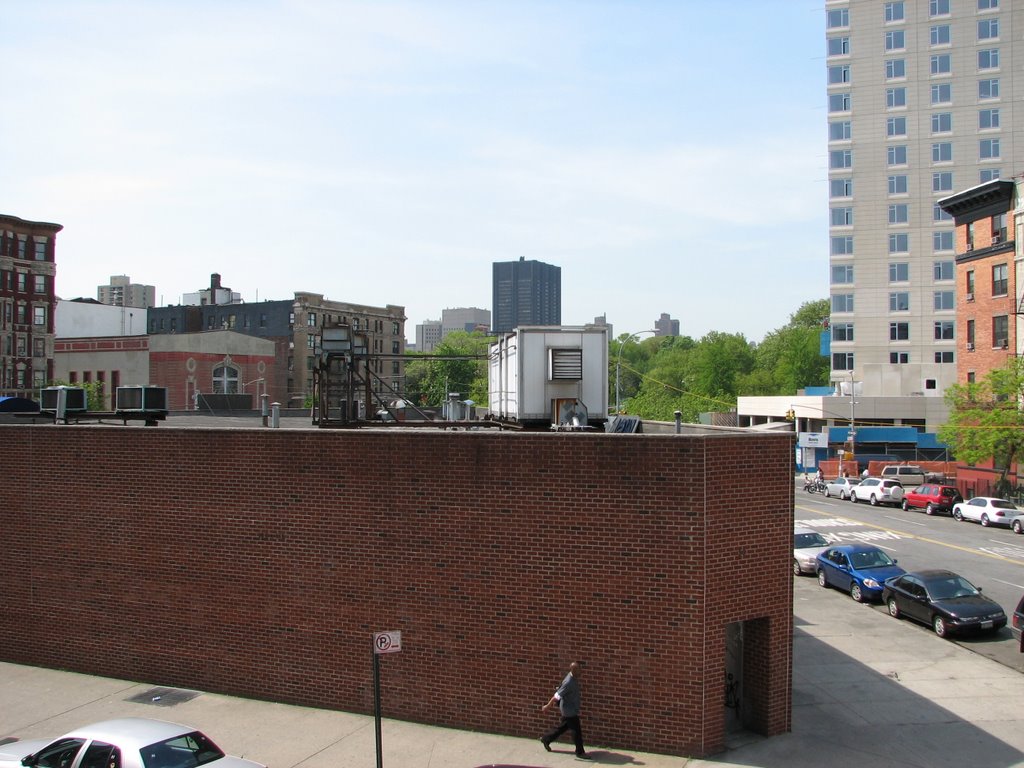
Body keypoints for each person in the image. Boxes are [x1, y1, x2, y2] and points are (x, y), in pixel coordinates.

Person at [541, 661, 591, 759]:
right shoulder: (569, 682)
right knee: (577, 731)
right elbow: (557, 696)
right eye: (579, 670)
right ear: (573, 670)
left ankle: (546, 739)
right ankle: (580, 752)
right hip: (569, 711)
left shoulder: (573, 678)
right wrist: (547, 706)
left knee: (562, 728)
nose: (581, 671)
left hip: (570, 709)